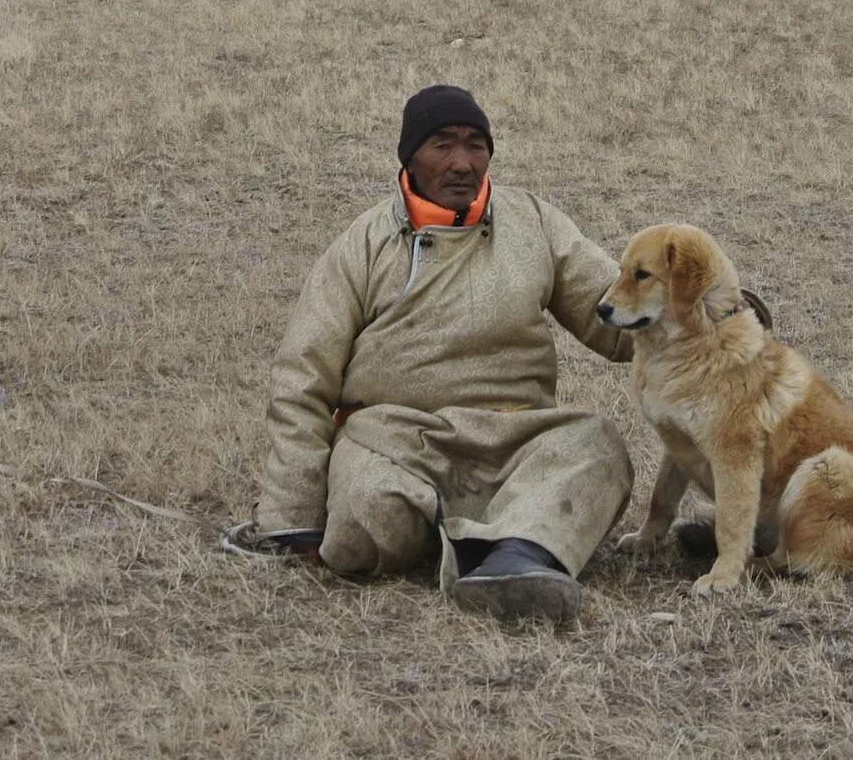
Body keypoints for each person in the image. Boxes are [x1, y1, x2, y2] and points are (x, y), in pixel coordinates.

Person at [249, 85, 633, 623]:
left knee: (596, 445)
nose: (461, 163)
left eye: (476, 145)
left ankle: (519, 559)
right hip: (395, 442)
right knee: (365, 507)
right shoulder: (363, 243)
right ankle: (497, 540)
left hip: (514, 441)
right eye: (442, 144)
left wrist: (717, 318)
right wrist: (291, 517)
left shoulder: (534, 224)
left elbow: (617, 314)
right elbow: (302, 377)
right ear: (410, 156)